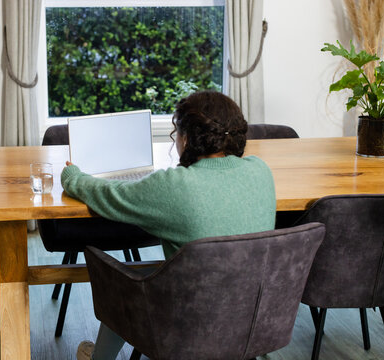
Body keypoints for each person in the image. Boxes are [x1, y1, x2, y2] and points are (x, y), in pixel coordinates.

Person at [60, 90, 276, 360]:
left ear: (186, 138)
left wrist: (73, 177)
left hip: (187, 323)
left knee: (123, 285)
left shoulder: (175, 186)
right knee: (152, 274)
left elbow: (109, 195)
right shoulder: (261, 171)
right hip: (254, 317)